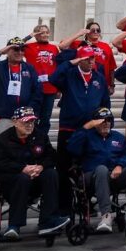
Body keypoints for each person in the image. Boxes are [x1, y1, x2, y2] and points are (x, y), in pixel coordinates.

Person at [0, 106, 70, 239]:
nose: (29, 125)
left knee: (51, 174)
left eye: (32, 122)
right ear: (15, 122)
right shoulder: (1, 140)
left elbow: (52, 156)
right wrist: (22, 168)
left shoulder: (40, 136)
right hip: (11, 184)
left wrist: (41, 167)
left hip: (36, 182)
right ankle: (14, 225)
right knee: (22, 178)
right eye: (25, 122)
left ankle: (48, 221)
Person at [66, 107, 126, 233]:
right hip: (92, 176)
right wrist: (86, 127)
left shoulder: (118, 137)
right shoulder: (86, 136)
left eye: (109, 120)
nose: (106, 123)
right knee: (101, 169)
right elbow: (71, 148)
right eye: (102, 121)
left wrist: (120, 165)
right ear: (95, 123)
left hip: (114, 175)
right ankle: (106, 215)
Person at [51, 46, 112, 213]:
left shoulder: (99, 77)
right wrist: (70, 63)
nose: (92, 61)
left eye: (93, 58)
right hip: (69, 128)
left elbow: (105, 102)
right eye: (88, 59)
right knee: (64, 168)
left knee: (88, 167)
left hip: (91, 130)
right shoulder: (69, 74)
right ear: (80, 60)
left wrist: (104, 121)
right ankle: (64, 206)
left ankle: (85, 203)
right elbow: (53, 78)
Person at [0, 37, 41, 135]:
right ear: (8, 50)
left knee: (23, 149)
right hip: (5, 118)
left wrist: (29, 110)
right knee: (2, 148)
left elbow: (37, 91)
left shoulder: (29, 68)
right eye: (16, 49)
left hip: (24, 118)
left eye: (22, 49)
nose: (20, 52)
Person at [24, 24, 61, 134]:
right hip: (34, 88)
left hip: (50, 88)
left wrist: (59, 88)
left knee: (45, 118)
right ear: (36, 35)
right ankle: (31, 139)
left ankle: (42, 141)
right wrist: (30, 36)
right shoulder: (29, 47)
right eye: (41, 33)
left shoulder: (54, 48)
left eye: (46, 32)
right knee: (33, 116)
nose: (45, 35)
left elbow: (58, 68)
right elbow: (14, 45)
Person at [59, 21, 117, 88]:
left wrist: (112, 85)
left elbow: (111, 68)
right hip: (82, 82)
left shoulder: (106, 46)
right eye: (93, 30)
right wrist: (79, 34)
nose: (96, 32)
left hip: (101, 83)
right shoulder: (79, 44)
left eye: (98, 30)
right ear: (87, 32)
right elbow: (62, 46)